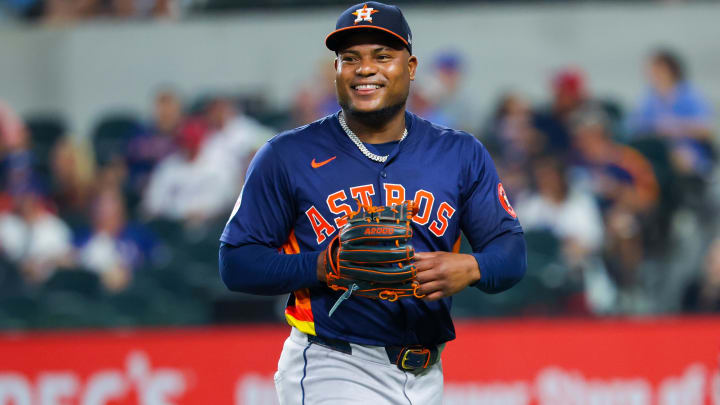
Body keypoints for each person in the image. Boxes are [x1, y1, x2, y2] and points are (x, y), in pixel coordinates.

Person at [218, 2, 526, 403]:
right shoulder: (287, 155)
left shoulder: (460, 154)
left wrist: (473, 265)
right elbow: (236, 262)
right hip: (334, 361)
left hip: (426, 372)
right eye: (350, 58)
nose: (365, 69)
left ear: (411, 67)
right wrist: (320, 265)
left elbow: (512, 252)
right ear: (336, 70)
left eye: (382, 56)